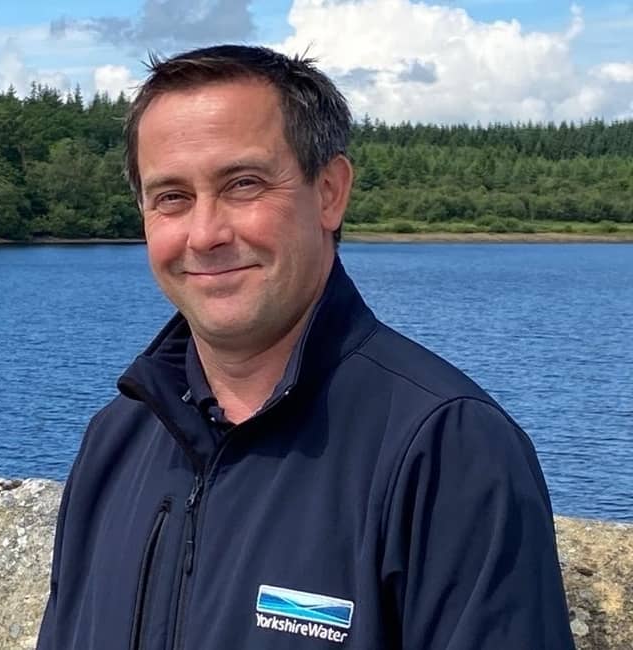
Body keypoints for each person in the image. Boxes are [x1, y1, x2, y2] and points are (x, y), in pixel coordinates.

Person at [36, 44, 575, 650]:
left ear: (329, 192)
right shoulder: (117, 438)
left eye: (243, 184)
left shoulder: (446, 447)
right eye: (172, 197)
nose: (205, 233)